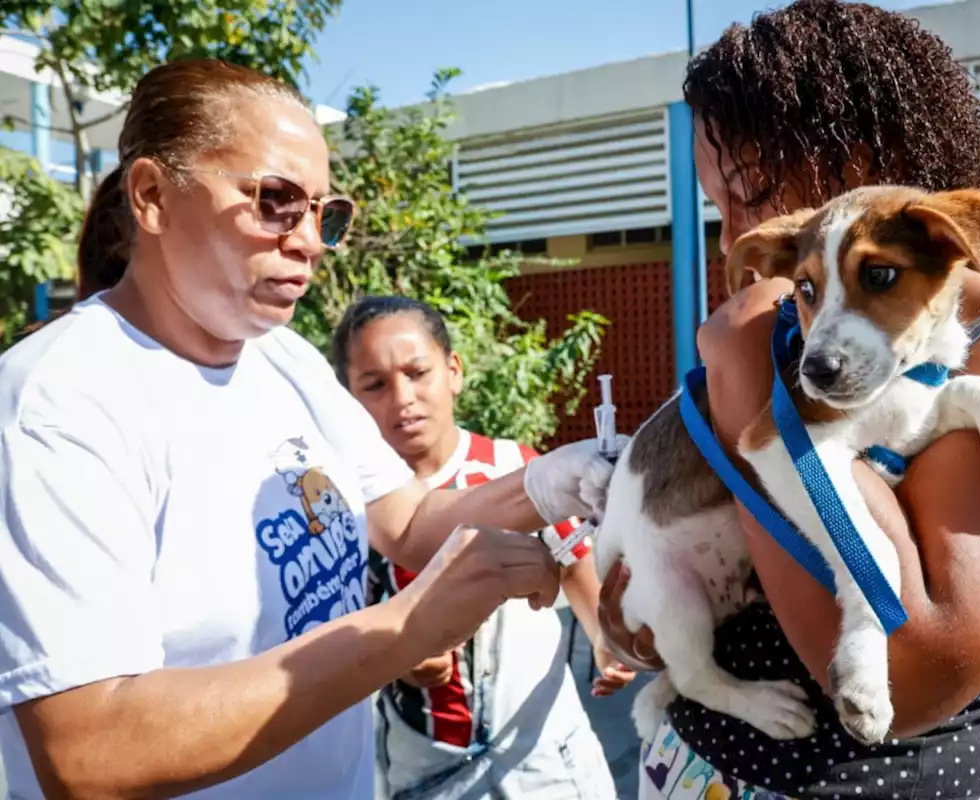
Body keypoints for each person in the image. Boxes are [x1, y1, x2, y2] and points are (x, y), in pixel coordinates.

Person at [0, 58, 623, 800]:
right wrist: (405, 629)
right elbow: (88, 751)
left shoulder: (281, 357)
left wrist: (553, 479)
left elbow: (409, 521)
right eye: (275, 201)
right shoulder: (59, 400)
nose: (310, 241)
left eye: (324, 214)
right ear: (152, 196)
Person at [596, 2, 980, 798]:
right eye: (722, 205)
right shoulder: (802, 335)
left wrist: (744, 368)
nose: (740, 230)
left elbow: (908, 681)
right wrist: (633, 629)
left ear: (868, 153)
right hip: (693, 771)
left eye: (754, 188)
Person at [332, 295, 633, 799]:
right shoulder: (343, 510)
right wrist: (400, 655)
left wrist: (608, 645)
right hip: (425, 773)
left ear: (453, 371)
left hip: (545, 763)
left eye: (417, 372)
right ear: (348, 401)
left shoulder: (515, 472)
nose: (402, 397)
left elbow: (579, 575)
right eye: (375, 385)